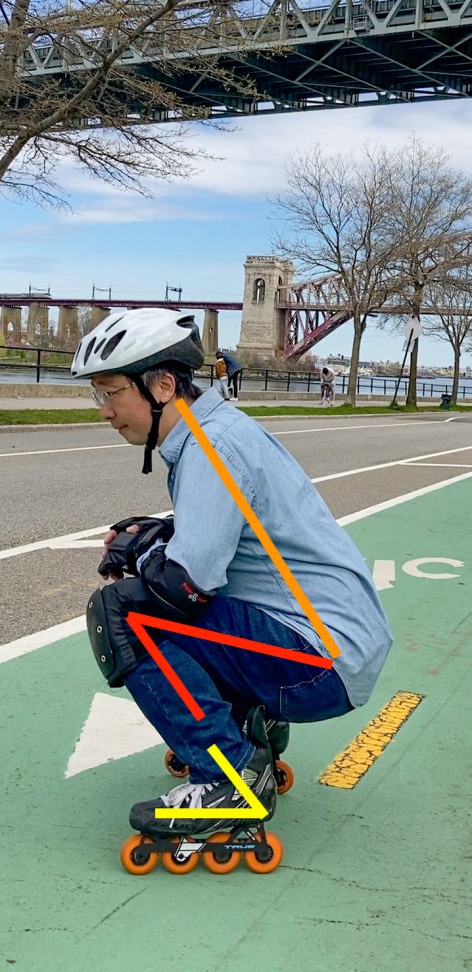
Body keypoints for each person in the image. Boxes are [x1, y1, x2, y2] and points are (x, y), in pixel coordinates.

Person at [71, 309, 392, 847]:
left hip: (317, 662)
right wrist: (159, 536)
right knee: (165, 604)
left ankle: (229, 777)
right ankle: (251, 732)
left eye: (110, 393)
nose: (104, 411)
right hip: (332, 644)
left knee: (124, 614)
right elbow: (234, 533)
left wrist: (146, 558)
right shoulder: (216, 430)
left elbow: (186, 587)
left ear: (164, 385)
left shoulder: (211, 448)